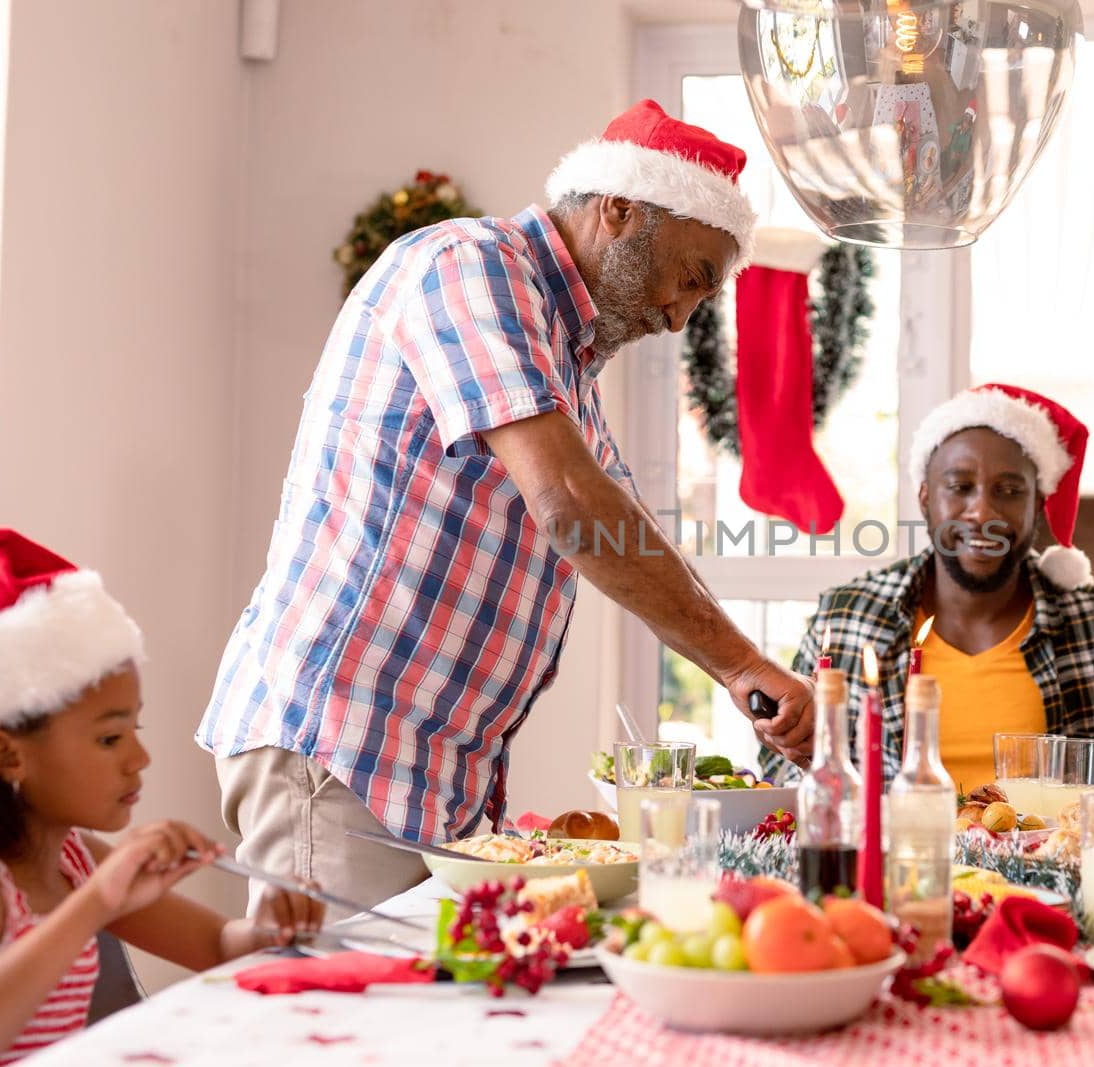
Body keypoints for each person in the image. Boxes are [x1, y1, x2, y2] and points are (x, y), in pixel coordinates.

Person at [196, 100, 816, 913]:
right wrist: (741, 665)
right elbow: (569, 504)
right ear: (620, 210)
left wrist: (742, 669)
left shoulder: (566, 368)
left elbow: (624, 532)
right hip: (341, 748)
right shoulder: (469, 264)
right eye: (690, 279)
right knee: (333, 1030)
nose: (677, 318)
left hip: (430, 774)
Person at [762, 384, 1094, 790]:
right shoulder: (847, 618)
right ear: (925, 497)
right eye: (960, 486)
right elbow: (781, 763)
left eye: (1009, 491)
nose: (983, 513)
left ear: (1039, 504)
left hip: (1060, 896)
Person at [0, 529, 323, 1064]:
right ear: (6, 754)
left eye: (135, 730)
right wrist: (97, 904)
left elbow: (216, 946)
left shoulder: (75, 861)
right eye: (110, 738)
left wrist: (265, 930)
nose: (140, 759)